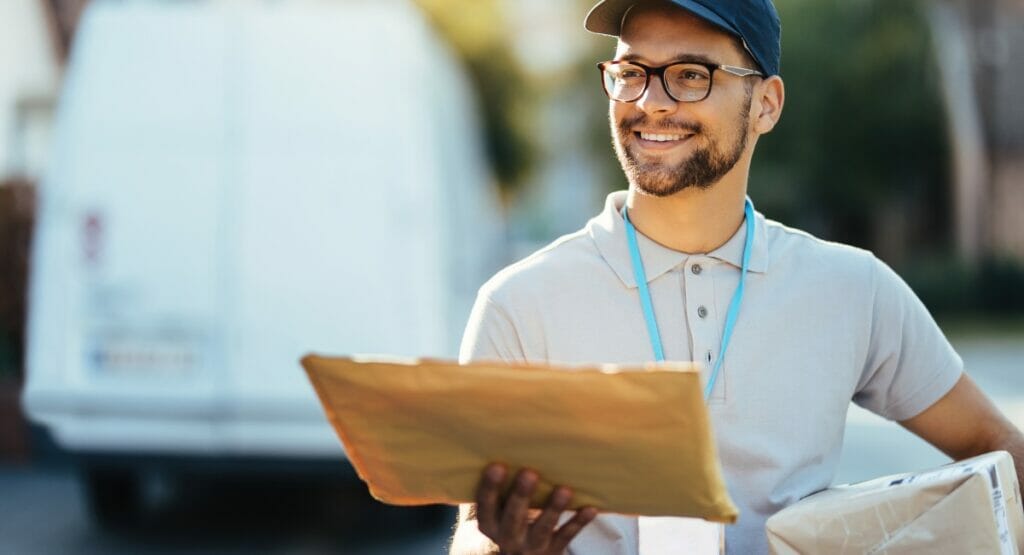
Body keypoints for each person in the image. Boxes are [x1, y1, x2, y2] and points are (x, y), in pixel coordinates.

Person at [448, 1, 1024, 553]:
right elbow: (474, 531)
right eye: (630, 72)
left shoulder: (852, 290)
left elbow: (998, 450)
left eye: (690, 75)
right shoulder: (519, 304)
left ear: (766, 105)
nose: (650, 102)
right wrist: (502, 549)